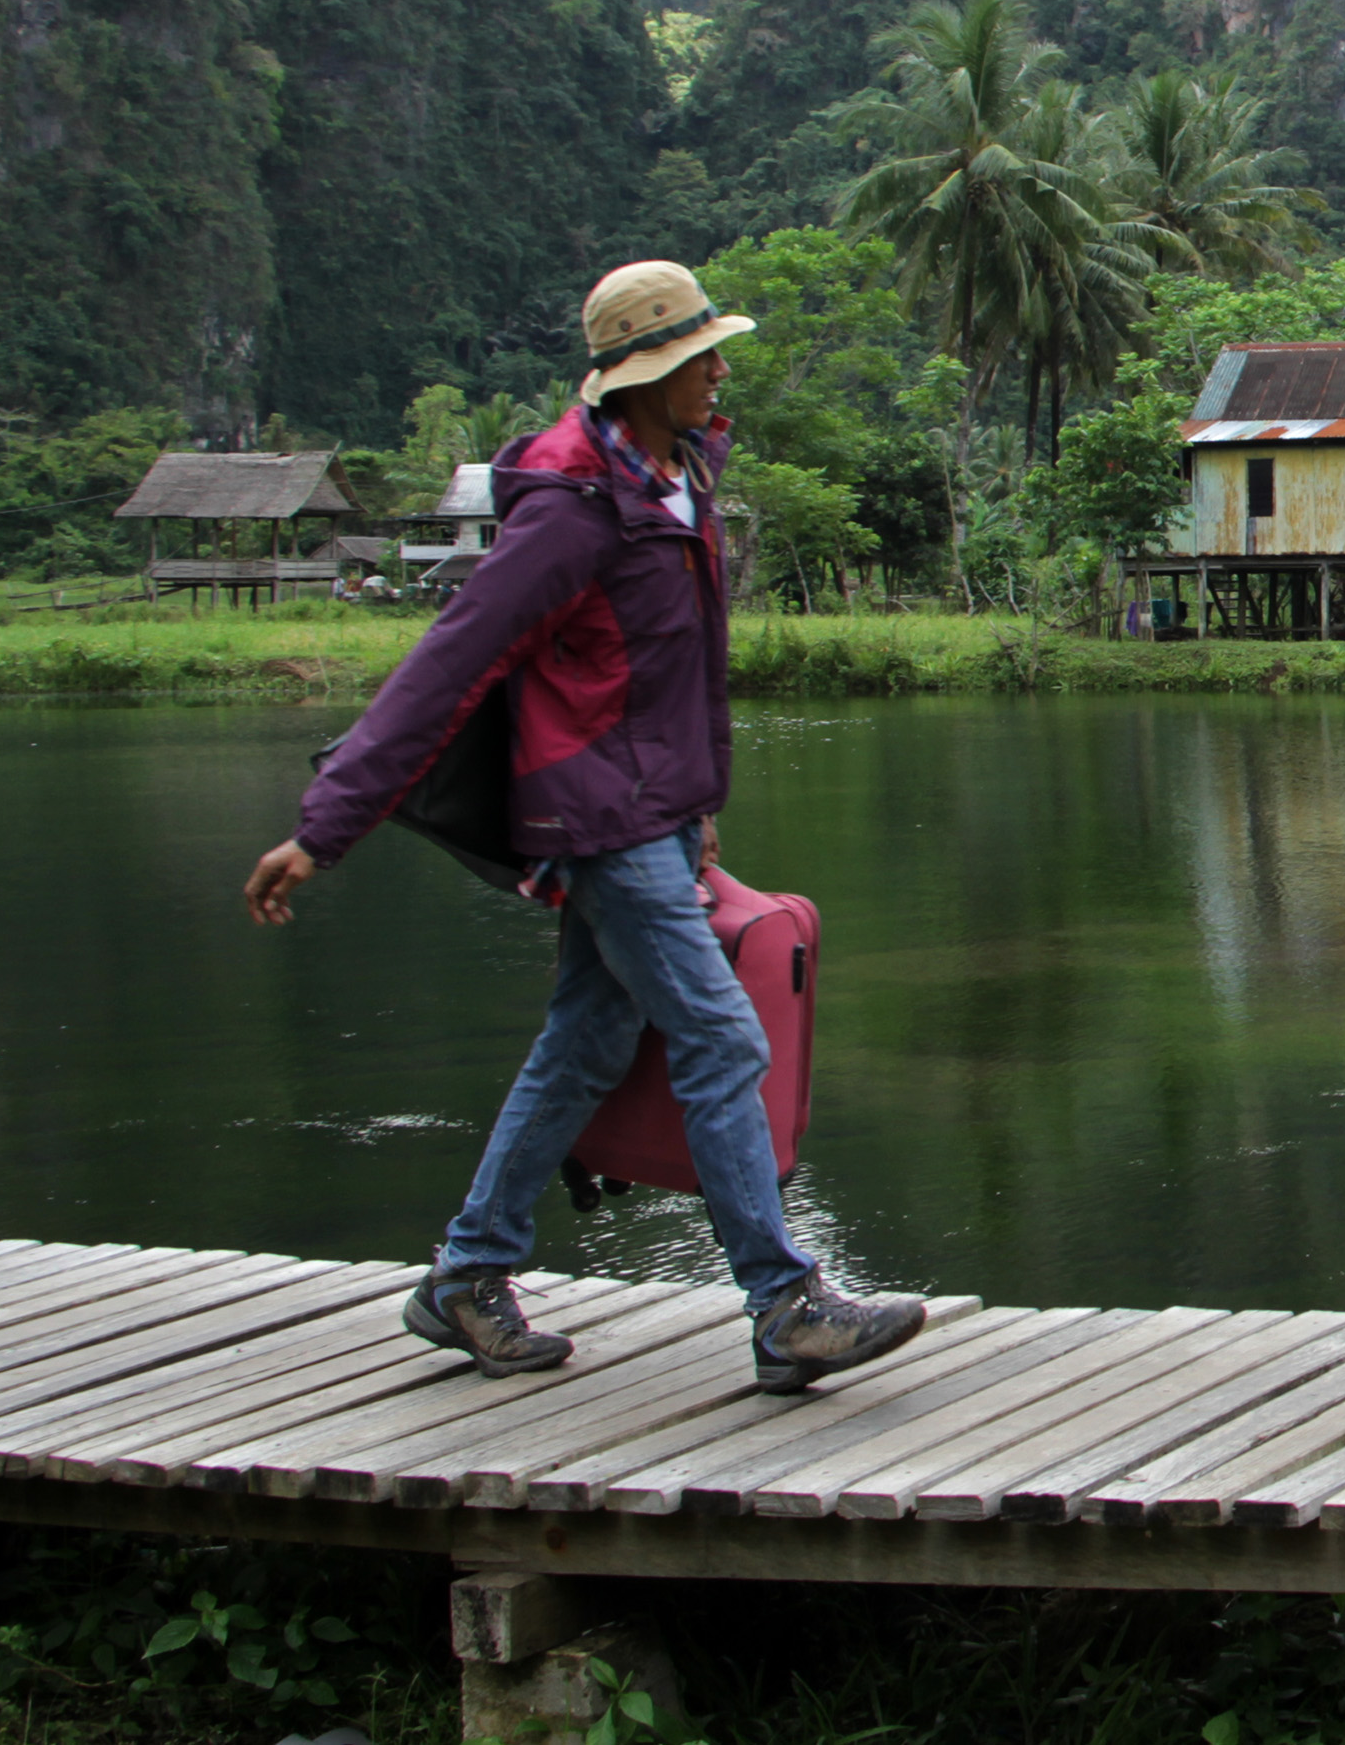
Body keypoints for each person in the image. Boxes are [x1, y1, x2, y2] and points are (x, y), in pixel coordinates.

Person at [242, 260, 926, 1391]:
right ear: (643, 379)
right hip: (596, 817)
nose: (718, 372)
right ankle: (785, 1303)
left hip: (656, 813)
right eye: (698, 358)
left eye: (715, 352)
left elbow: (674, 673)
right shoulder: (573, 510)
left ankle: (465, 1278)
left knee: (587, 1042)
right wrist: (326, 826)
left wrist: (697, 807)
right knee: (720, 1038)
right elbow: (447, 667)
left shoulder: (676, 470)